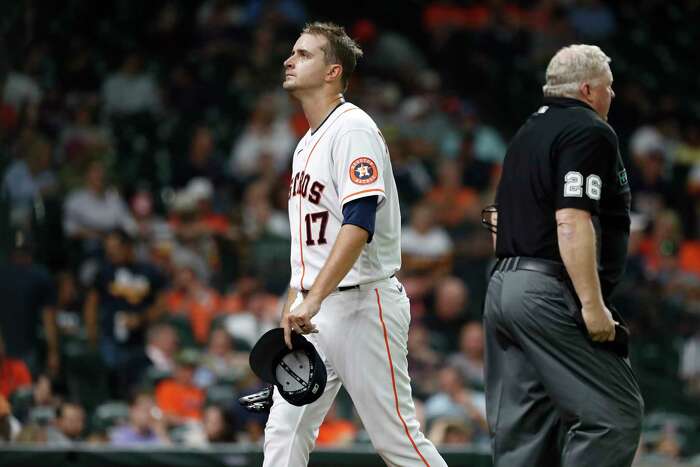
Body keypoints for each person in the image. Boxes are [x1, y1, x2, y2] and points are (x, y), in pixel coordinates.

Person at [263, 21, 447, 466]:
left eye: (304, 54)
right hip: (318, 309)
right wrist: (297, 298)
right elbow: (311, 241)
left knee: (396, 440)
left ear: (333, 71)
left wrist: (313, 297)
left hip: (365, 304)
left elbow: (358, 223)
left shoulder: (353, 129)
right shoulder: (306, 144)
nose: (290, 60)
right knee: (284, 429)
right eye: (292, 52)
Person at [483, 44, 644, 467]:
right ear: (589, 89)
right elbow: (572, 219)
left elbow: (500, 215)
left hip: (505, 284)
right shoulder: (588, 130)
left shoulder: (528, 130)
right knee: (613, 417)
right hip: (547, 289)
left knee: (527, 435)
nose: (613, 96)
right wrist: (591, 305)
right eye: (609, 87)